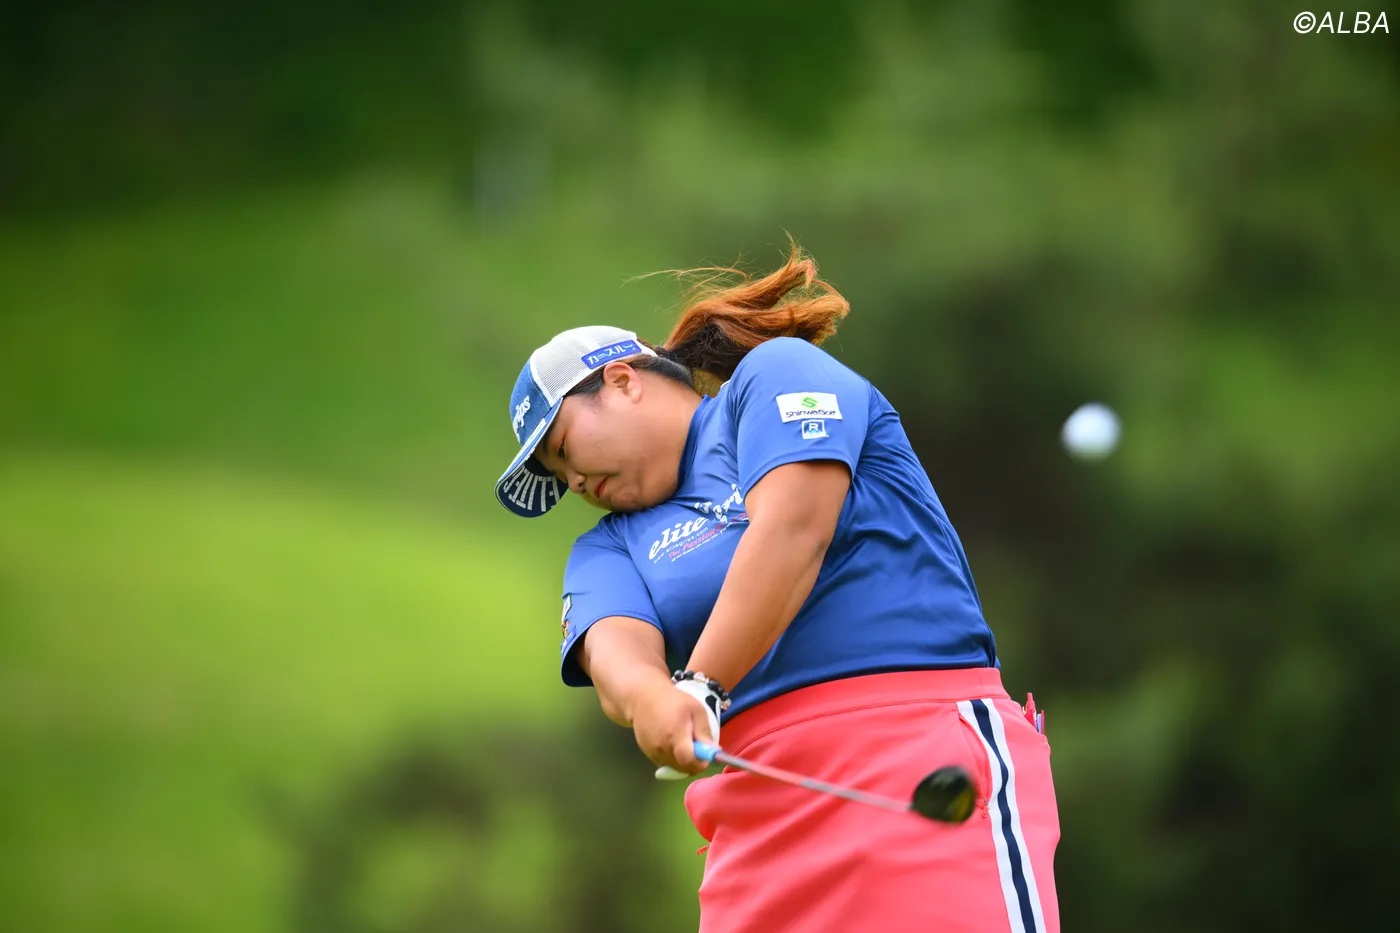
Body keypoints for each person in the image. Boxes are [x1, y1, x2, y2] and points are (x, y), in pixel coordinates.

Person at [494, 244, 1060, 933]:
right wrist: (652, 701)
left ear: (621, 380)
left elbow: (794, 532)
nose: (575, 481)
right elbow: (617, 657)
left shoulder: (774, 376)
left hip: (921, 761)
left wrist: (698, 685)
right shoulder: (607, 548)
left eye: (562, 448)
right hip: (760, 821)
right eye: (559, 480)